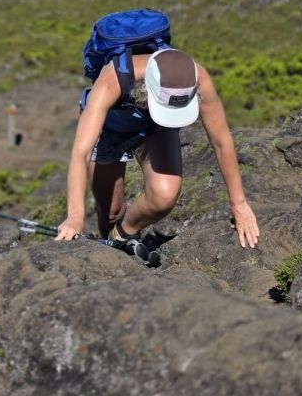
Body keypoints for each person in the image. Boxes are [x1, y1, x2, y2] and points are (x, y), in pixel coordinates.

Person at [56, 47, 259, 249]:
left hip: (152, 126)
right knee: (111, 212)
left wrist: (239, 205)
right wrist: (75, 217)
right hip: (109, 125)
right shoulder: (113, 80)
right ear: (146, 89)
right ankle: (108, 239)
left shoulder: (197, 78)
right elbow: (81, 153)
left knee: (164, 195)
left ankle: (122, 236)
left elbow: (221, 141)